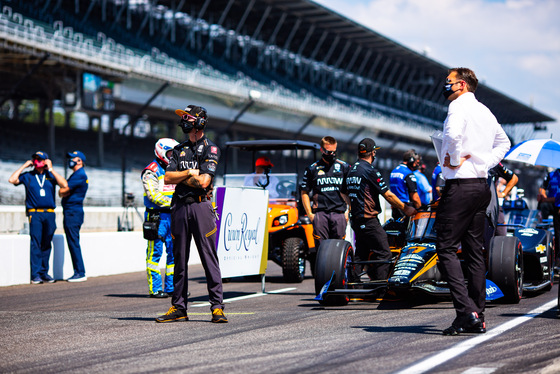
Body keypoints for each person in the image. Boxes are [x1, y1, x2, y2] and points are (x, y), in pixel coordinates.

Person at [436, 67, 510, 336]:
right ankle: (478, 315)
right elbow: (504, 143)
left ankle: (467, 312)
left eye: (449, 82)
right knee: (474, 253)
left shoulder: (458, 107)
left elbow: (454, 136)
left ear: (462, 85)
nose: (446, 86)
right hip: (481, 186)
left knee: (444, 248)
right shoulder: (485, 110)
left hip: (460, 187)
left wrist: (455, 160)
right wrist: (484, 163)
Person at [155, 104, 227, 324]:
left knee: (208, 258)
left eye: (188, 117)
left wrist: (182, 177)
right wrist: (189, 173)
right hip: (178, 206)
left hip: (201, 206)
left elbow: (205, 181)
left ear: (200, 121)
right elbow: (167, 178)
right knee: (179, 259)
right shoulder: (178, 149)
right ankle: (178, 307)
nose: (184, 120)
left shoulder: (211, 149)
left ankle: (217, 307)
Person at [346, 138, 417, 281]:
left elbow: (343, 192)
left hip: (356, 220)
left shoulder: (351, 170)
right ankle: (380, 287)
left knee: (361, 253)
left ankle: (353, 285)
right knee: (384, 253)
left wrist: (352, 207)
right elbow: (388, 195)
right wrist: (406, 208)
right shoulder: (370, 171)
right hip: (369, 220)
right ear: (373, 153)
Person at [8, 151, 69, 284]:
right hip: (35, 213)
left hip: (49, 213)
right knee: (36, 243)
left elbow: (64, 185)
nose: (37, 161)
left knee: (47, 243)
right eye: (35, 159)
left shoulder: (50, 176)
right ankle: (35, 274)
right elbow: (12, 180)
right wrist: (24, 166)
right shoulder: (28, 176)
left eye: (40, 159)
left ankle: (44, 272)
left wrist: (51, 168)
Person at [142, 138, 179, 298]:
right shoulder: (151, 171)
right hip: (156, 217)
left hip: (174, 216)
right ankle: (155, 289)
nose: (173, 156)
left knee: (174, 253)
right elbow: (153, 195)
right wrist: (176, 203)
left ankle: (171, 288)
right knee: (154, 255)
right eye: (170, 153)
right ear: (161, 152)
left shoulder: (176, 169)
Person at [301, 136, 351, 250]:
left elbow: (351, 191)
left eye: (334, 152)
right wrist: (310, 214)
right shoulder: (312, 169)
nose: (332, 155)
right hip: (320, 214)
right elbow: (304, 192)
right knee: (321, 249)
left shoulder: (344, 167)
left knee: (338, 249)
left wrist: (348, 212)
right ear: (322, 150)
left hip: (339, 214)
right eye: (329, 152)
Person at [59, 150, 89, 282]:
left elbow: (63, 190)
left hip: (73, 212)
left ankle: (80, 272)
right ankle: (79, 271)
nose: (70, 160)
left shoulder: (79, 174)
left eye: (73, 158)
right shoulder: (77, 174)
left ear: (80, 161)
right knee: (73, 241)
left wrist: (62, 192)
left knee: (73, 242)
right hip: (73, 211)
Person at [389, 149, 422, 219]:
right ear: (411, 160)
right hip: (406, 208)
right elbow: (415, 197)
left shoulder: (394, 171)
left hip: (395, 206)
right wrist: (421, 211)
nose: (417, 165)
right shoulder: (408, 173)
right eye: (416, 162)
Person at [538, 168, 560, 261]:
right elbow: (542, 187)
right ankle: (543, 227)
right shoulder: (551, 175)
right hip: (553, 204)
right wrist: (544, 196)